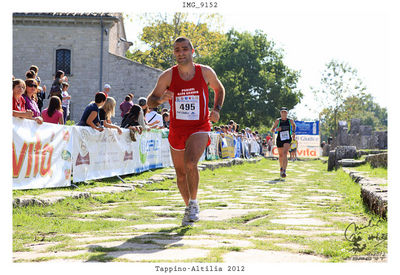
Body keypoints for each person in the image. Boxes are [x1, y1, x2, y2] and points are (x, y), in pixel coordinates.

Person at [146, 36, 225, 226]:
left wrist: (216, 110)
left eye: (184, 49)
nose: (180, 53)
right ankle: (189, 207)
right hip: (177, 128)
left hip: (200, 126)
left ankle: (194, 202)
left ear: (192, 51)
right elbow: (150, 101)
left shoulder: (205, 72)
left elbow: (219, 89)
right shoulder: (167, 76)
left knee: (191, 163)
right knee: (180, 173)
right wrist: (161, 99)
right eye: (177, 50)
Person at [270, 107, 296, 178]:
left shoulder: (290, 120)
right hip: (280, 139)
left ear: (287, 113)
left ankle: (284, 170)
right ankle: (281, 167)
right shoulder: (278, 121)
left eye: (285, 112)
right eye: (282, 112)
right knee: (281, 155)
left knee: (285, 153)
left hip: (287, 139)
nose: (283, 113)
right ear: (280, 113)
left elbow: (294, 125)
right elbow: (272, 130)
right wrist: (276, 129)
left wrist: (293, 132)